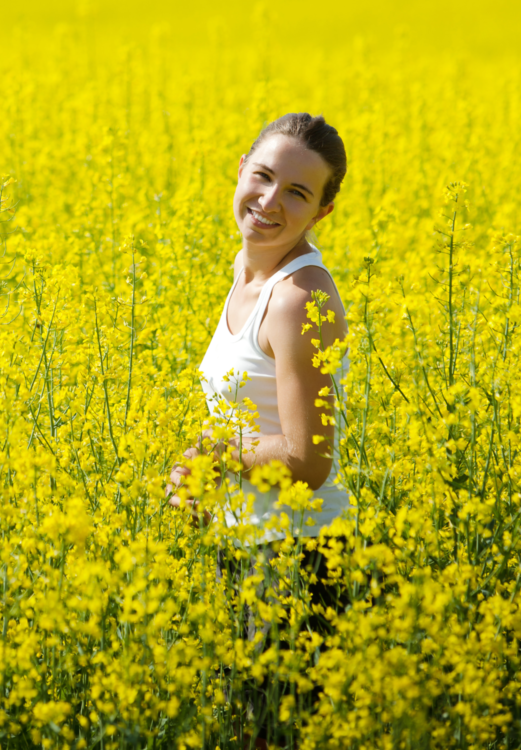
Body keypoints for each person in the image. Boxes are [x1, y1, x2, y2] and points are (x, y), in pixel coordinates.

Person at [165, 113, 351, 747]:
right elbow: (256, 425)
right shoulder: (249, 276)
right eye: (263, 177)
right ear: (238, 171)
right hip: (246, 548)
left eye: (297, 192)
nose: (270, 201)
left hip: (296, 557)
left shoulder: (300, 295)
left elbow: (306, 458)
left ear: (322, 211)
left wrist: (213, 454)